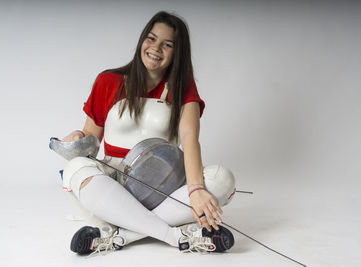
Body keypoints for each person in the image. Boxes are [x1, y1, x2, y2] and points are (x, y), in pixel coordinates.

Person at [59, 11, 236, 255]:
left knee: (223, 179)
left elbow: (189, 138)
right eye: (151, 39)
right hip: (114, 182)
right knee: (75, 167)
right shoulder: (108, 81)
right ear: (142, 40)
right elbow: (91, 139)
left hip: (166, 185)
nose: (156, 48)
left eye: (167, 44)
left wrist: (195, 190)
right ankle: (176, 236)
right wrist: (79, 138)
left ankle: (120, 235)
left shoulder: (183, 88)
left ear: (177, 52)